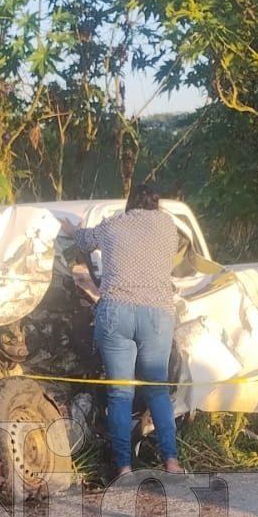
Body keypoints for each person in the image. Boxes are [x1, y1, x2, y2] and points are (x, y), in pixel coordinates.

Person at [61, 184, 182, 476]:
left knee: (119, 393)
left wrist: (70, 227)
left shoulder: (114, 224)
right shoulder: (168, 225)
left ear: (129, 204)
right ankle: (172, 462)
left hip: (117, 311)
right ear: (157, 205)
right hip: (157, 314)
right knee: (157, 390)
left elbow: (83, 240)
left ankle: (124, 468)